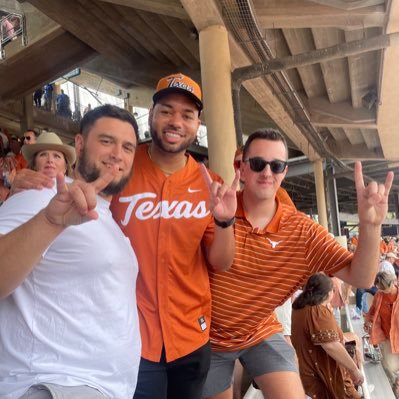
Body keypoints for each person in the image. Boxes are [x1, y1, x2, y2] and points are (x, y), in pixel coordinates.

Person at [10, 73, 239, 399]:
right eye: (167, 111)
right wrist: (28, 188)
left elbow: (221, 262)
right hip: (131, 341)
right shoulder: (121, 169)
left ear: (197, 123)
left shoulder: (209, 184)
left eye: (187, 115)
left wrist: (226, 222)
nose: (175, 121)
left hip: (191, 336)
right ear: (152, 114)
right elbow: (77, 194)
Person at [202, 128, 393, 399]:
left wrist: (371, 226)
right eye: (258, 164)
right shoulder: (214, 214)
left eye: (276, 165)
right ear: (241, 168)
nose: (267, 172)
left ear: (283, 172)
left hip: (259, 330)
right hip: (212, 340)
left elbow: (361, 278)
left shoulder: (302, 231)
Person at [0, 104, 141, 399]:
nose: (118, 153)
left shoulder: (106, 216)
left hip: (99, 388)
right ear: (79, 144)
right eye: (106, 141)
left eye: (127, 147)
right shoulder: (40, 196)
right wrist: (50, 221)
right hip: (55, 385)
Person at [291, 273, 363, 399]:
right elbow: (331, 345)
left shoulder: (300, 306)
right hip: (318, 374)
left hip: (306, 370)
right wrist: (354, 369)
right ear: (329, 292)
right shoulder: (317, 311)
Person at [364, 271, 399, 397]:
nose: (383, 291)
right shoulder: (379, 295)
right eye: (380, 289)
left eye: (385, 288)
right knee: (389, 366)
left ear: (393, 282)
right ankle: (395, 384)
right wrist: (368, 321)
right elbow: (373, 310)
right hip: (388, 337)